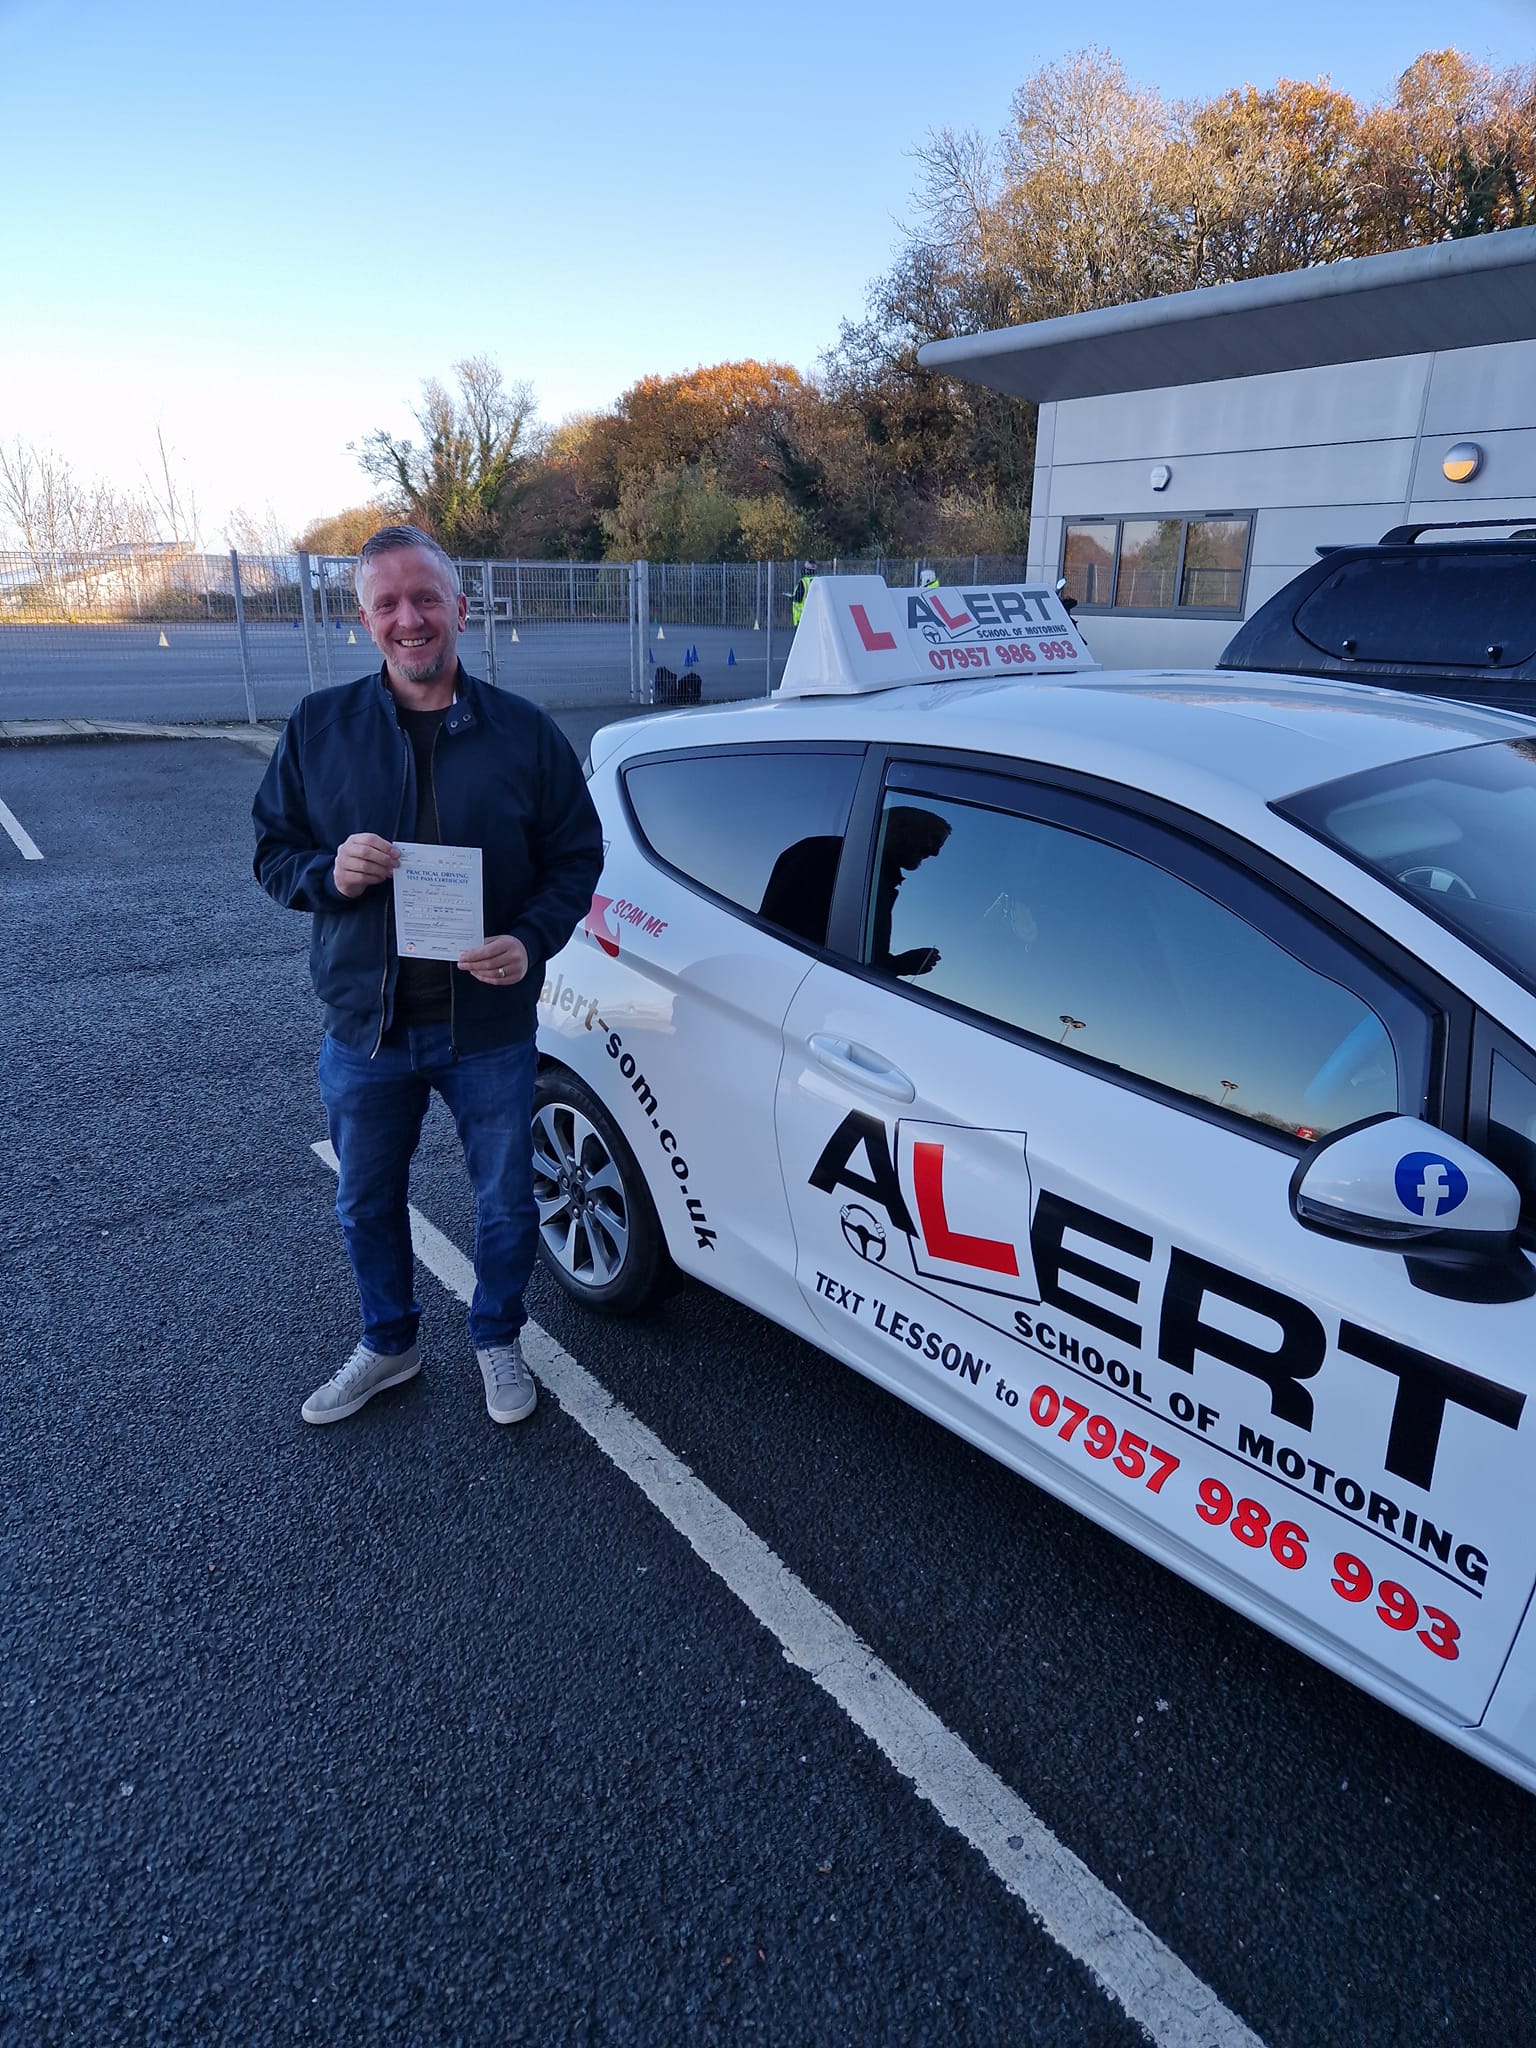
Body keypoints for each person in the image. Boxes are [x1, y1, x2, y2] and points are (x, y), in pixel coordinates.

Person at [253, 526, 603, 1428]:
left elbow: (576, 857)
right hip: (365, 1030)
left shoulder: (523, 733)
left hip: (487, 1025)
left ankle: (497, 1336)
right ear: (363, 619)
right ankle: (389, 1342)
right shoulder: (320, 728)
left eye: (426, 598)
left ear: (460, 608)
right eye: (388, 604)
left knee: (505, 1203)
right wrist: (329, 873)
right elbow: (272, 852)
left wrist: (529, 940)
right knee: (366, 1200)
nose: (409, 619)